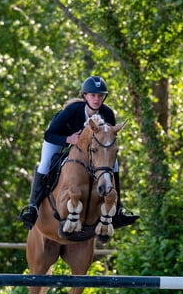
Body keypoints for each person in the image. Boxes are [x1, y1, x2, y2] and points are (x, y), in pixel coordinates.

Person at [18, 75, 140, 230]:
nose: (97, 99)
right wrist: (68, 139)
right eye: (93, 95)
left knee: (113, 164)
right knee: (45, 164)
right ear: (85, 96)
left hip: (91, 148)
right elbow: (48, 135)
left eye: (100, 95)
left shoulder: (108, 113)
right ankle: (33, 207)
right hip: (60, 139)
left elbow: (108, 139)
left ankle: (118, 210)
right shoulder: (71, 111)